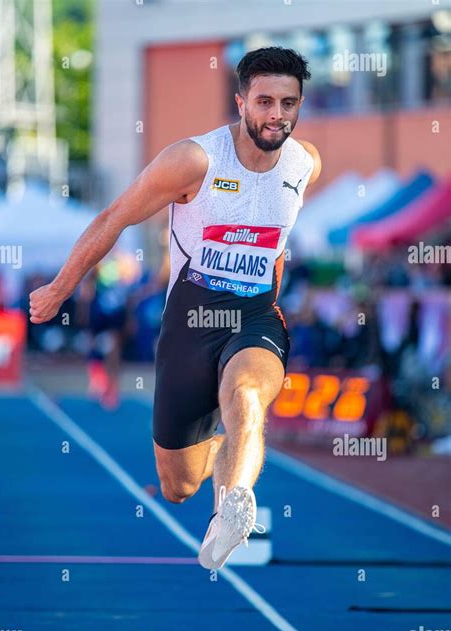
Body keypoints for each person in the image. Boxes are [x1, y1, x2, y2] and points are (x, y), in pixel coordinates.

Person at [29, 47, 321, 570]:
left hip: (255, 315)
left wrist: (271, 298)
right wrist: (59, 288)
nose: (277, 114)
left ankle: (233, 507)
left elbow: (277, 245)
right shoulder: (195, 161)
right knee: (178, 484)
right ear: (240, 102)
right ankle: (222, 461)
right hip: (191, 319)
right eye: (265, 101)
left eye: (288, 102)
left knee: (247, 395)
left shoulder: (304, 165)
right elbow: (113, 218)